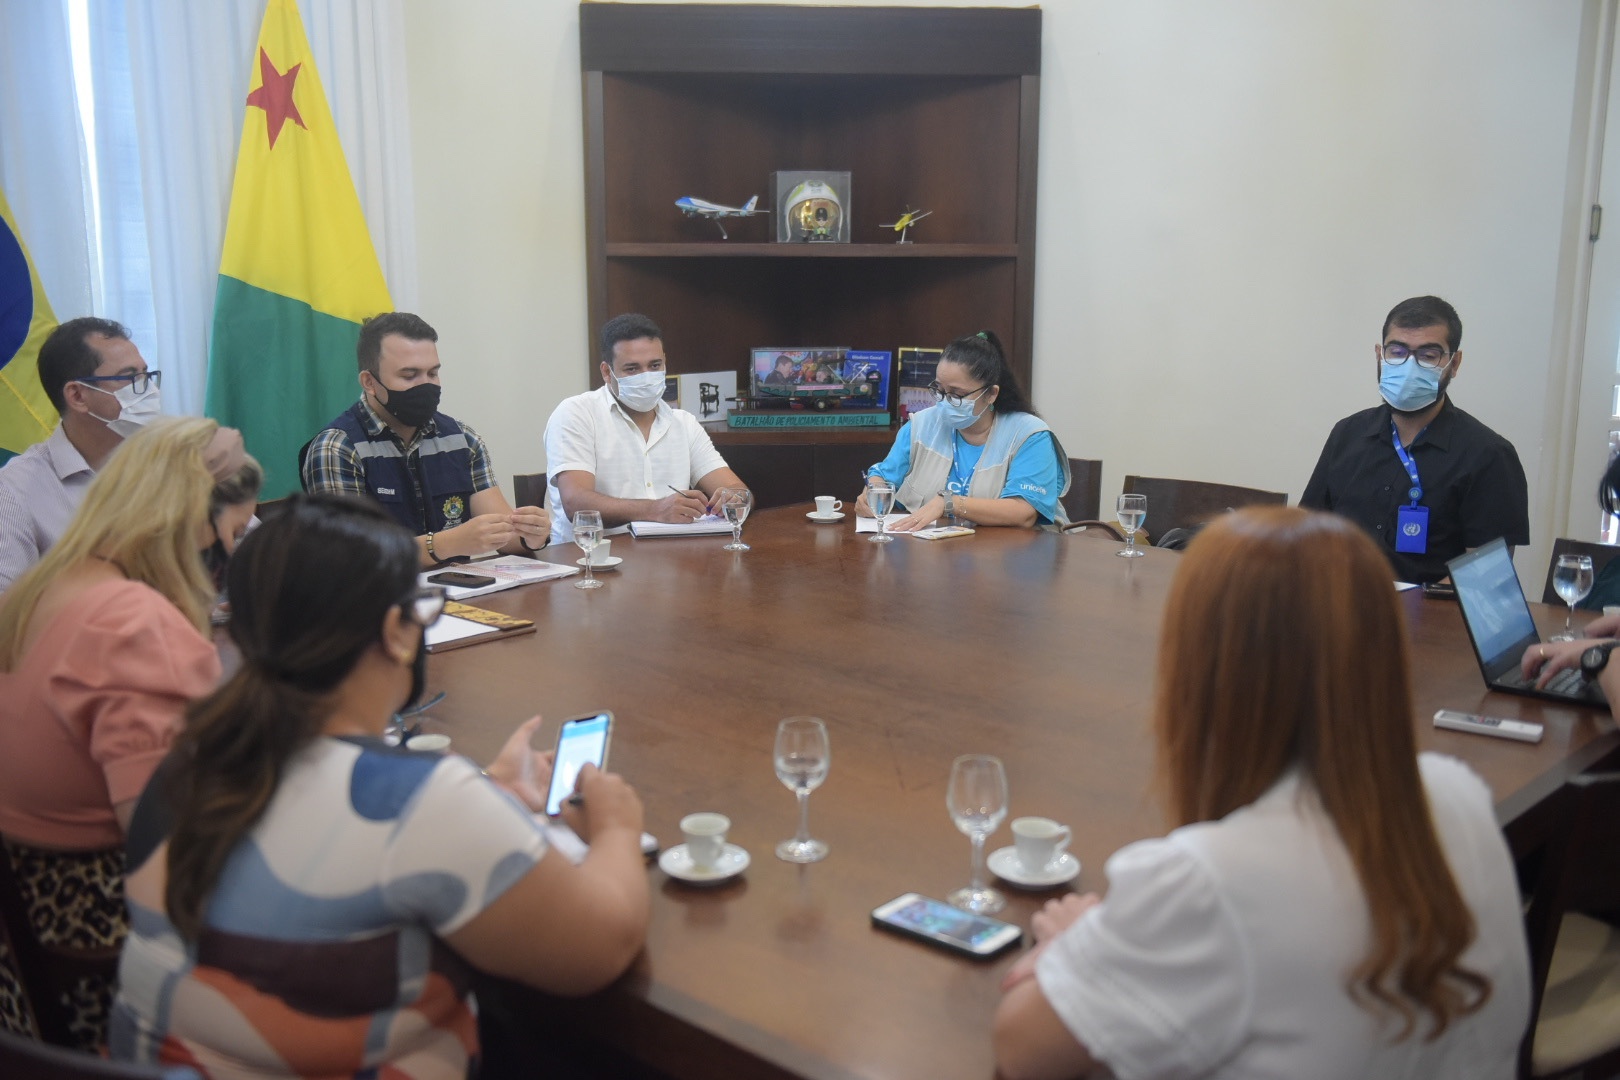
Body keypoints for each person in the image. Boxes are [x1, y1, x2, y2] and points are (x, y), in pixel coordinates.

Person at [110, 495, 650, 1076]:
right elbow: (601, 948)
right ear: (398, 631)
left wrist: (487, 792)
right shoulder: (421, 804)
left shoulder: (190, 761)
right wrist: (617, 826)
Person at [991, 507, 1530, 1080]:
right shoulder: (1459, 795)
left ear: (1201, 671)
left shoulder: (1208, 880)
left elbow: (1020, 1048)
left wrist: (1075, 945)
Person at [0, 416, 249, 1048]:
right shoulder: (135, 625)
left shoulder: (50, 586)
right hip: (101, 935)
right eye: (239, 531)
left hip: (32, 917)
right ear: (197, 519)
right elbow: (168, 850)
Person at [0, 318, 243, 591]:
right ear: (78, 396)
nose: (149, 390)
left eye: (147, 375)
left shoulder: (177, 461)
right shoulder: (15, 492)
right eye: (130, 378)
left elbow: (256, 552)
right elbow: (8, 613)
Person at [1300, 295, 1529, 585]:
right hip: (1338, 609)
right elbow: (1306, 536)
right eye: (1397, 351)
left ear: (1454, 364)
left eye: (1428, 355)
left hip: (1430, 620)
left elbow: (1487, 574)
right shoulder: (1347, 434)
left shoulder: (1489, 455)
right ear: (1379, 356)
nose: (1409, 366)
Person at [302, 312, 550, 567]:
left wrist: (530, 535)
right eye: (410, 376)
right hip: (376, 600)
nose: (425, 386)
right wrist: (446, 544)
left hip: (460, 596)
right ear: (369, 382)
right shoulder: (338, 447)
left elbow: (505, 536)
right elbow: (353, 556)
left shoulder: (462, 439)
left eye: (432, 374)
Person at [544, 313, 747, 543]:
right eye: (632, 369)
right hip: (590, 561)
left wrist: (734, 498)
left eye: (654, 365)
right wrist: (656, 509)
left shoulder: (684, 423)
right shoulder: (577, 413)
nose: (646, 377)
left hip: (671, 560)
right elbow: (576, 503)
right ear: (606, 372)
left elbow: (736, 489)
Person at [856, 331, 1070, 530]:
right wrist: (873, 492)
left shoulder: (1029, 436)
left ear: (991, 394)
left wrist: (950, 503)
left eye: (957, 394)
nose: (944, 402)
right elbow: (882, 477)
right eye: (939, 389)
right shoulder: (921, 425)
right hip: (929, 558)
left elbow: (1024, 513)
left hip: (1006, 560)